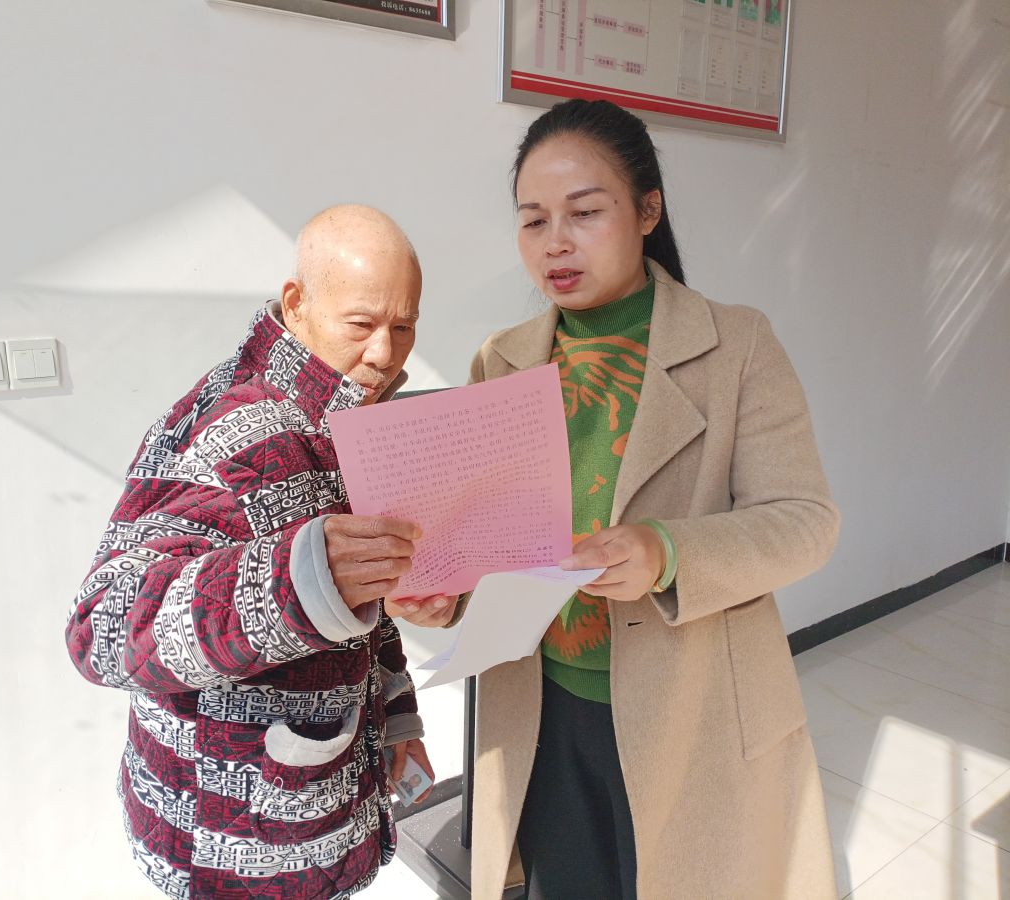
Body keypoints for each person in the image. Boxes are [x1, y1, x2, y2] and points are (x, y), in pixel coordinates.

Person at [467, 99, 840, 899]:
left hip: (695, 711)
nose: (555, 242)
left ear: (647, 211)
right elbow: (482, 539)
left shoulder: (736, 345)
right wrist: (439, 591)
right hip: (541, 709)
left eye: (584, 212)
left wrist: (667, 551)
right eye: (533, 221)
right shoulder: (501, 362)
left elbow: (805, 522)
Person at [65, 204, 458, 900]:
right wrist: (300, 581)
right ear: (297, 302)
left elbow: (353, 600)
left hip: (311, 832)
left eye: (404, 327)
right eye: (362, 324)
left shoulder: (346, 422)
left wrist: (394, 716)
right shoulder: (228, 433)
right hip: (226, 858)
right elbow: (104, 626)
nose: (385, 353)